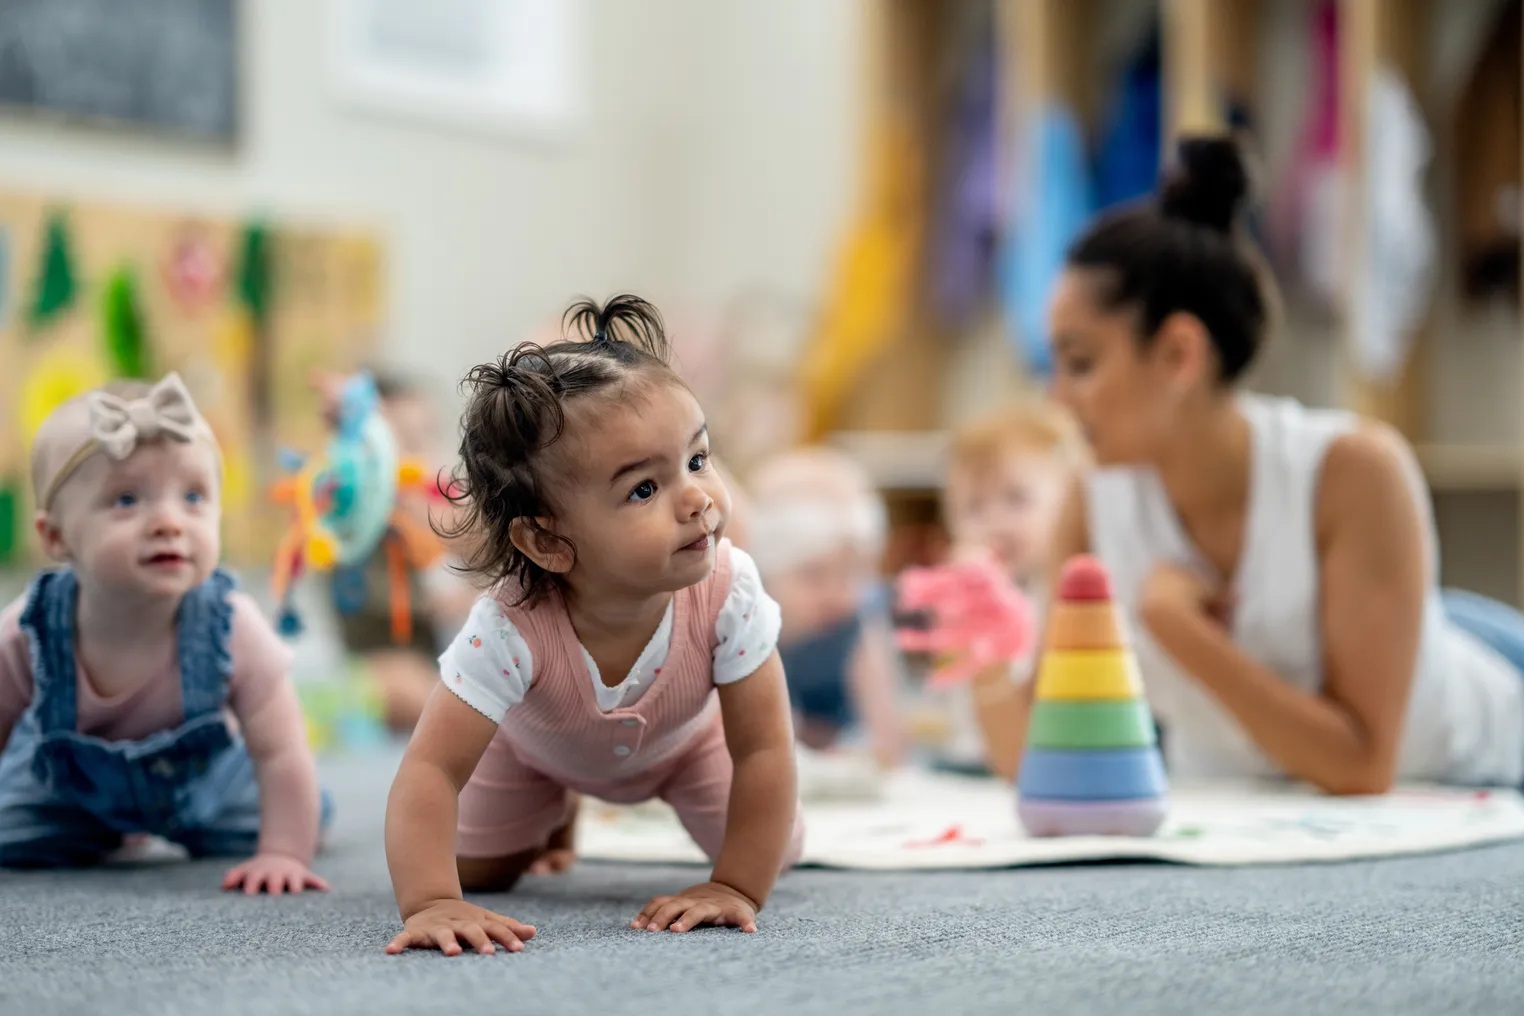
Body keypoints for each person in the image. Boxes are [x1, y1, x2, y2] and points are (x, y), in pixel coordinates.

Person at [980, 134, 1524, 795]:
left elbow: (1363, 765)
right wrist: (979, 654)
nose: (1056, 396)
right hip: (1267, 808)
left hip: (1475, 768)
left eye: (1082, 362)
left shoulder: (1354, 472)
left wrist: (1180, 629)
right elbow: (1050, 760)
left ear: (1180, 353)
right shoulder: (1090, 499)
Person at [383, 295, 803, 957]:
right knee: (481, 873)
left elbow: (763, 750)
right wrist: (433, 901)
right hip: (530, 750)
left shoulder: (731, 587)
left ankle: (605, 819)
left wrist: (737, 886)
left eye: (697, 460)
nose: (697, 497)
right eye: (643, 489)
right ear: (548, 542)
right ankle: (554, 808)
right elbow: (430, 770)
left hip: (687, 747)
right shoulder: (509, 625)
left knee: (778, 847)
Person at [0, 374, 332, 891]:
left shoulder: (231, 625)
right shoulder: (30, 631)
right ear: (56, 536)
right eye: (127, 500)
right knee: (12, 836)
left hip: (206, 786)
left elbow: (281, 751)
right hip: (66, 793)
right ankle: (102, 832)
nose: (169, 523)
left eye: (194, 497)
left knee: (300, 809)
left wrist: (284, 853)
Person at [935, 402, 1085, 777]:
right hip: (969, 763)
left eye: (1016, 499)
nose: (995, 522)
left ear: (1067, 504)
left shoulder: (1060, 594)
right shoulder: (962, 595)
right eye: (973, 508)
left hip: (1034, 763)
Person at [745, 447, 906, 770]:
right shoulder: (744, 628)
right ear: (766, 572)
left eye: (851, 575)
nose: (836, 594)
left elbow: (892, 745)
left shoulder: (856, 627)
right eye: (814, 575)